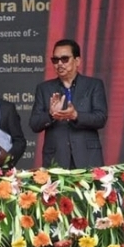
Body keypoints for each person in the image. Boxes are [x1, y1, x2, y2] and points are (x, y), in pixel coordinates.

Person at [29, 39, 107, 169]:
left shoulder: (93, 85)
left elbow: (101, 118)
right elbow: (34, 124)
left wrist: (76, 115)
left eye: (65, 59)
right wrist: (51, 114)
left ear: (77, 61)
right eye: (55, 60)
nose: (59, 64)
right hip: (56, 159)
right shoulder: (44, 88)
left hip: (87, 157)